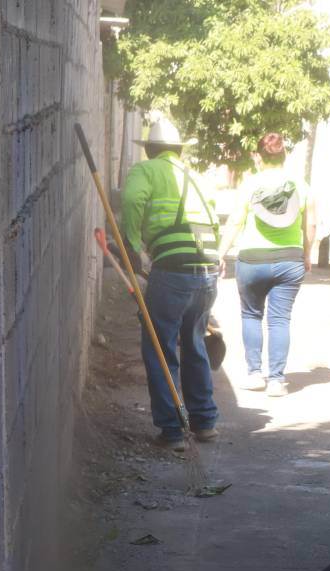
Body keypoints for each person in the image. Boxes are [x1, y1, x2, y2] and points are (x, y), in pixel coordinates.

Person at [120, 117, 221, 451]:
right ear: (179, 150)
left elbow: (133, 200)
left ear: (149, 149)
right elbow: (214, 218)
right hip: (206, 271)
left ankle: (173, 431)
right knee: (194, 342)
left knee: (160, 346)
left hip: (173, 269)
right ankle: (205, 423)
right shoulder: (198, 177)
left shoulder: (146, 171)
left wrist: (132, 244)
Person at [218, 133, 317, 397]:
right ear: (284, 155)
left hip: (252, 260)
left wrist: (220, 253)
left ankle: (254, 375)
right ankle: (276, 380)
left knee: (251, 315)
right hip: (290, 260)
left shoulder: (250, 184)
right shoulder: (302, 185)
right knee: (280, 320)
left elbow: (236, 220)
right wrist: (307, 254)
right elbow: (311, 224)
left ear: (259, 157)